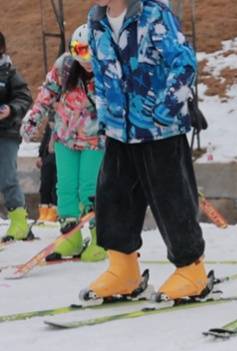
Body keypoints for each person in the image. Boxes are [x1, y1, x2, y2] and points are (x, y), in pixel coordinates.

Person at [83, 0, 208, 304]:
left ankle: (191, 270)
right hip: (118, 129)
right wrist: (105, 114)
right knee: (112, 196)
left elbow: (184, 63)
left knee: (171, 198)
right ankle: (123, 269)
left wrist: (164, 110)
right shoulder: (96, 19)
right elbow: (99, 72)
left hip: (159, 129)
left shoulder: (152, 13)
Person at [21, 24, 107, 262]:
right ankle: (71, 238)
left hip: (95, 139)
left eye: (90, 51)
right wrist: (33, 120)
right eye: (78, 50)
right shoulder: (65, 66)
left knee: (89, 189)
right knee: (65, 189)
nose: (85, 58)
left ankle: (100, 238)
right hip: (65, 137)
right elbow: (46, 95)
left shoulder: (109, 68)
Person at [0, 31, 33, 242]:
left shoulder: (9, 73)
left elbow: (24, 96)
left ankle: (19, 221)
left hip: (6, 132)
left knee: (6, 176)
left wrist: (11, 109)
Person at [37, 125, 58, 223]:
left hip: (61, 155)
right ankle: (43, 211)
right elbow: (45, 139)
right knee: (45, 183)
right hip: (48, 156)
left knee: (56, 184)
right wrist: (40, 155)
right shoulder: (51, 123)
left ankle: (54, 211)